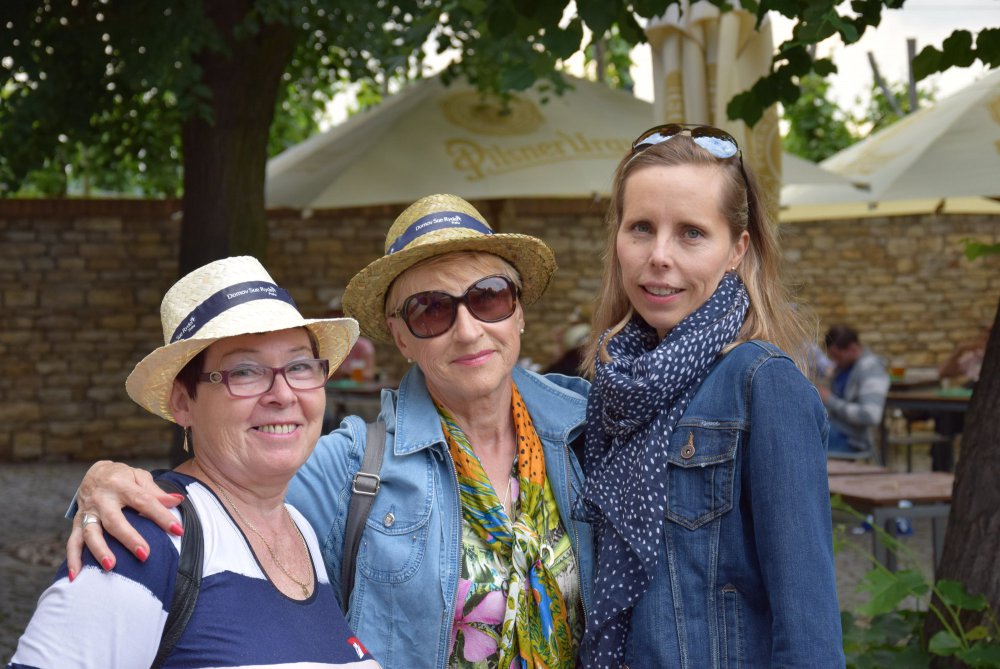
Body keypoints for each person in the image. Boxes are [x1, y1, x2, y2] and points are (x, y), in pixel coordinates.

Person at [64, 194, 594, 669]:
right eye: (431, 310)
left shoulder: (591, 431)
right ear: (401, 338)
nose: (469, 329)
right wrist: (112, 484)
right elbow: (229, 499)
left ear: (519, 311)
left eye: (489, 297)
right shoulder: (351, 466)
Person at [8, 256, 379, 668]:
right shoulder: (145, 540)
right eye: (245, 372)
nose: (283, 394)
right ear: (183, 403)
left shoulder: (301, 532)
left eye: (299, 366)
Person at [576, 124, 844, 667]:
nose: (659, 255)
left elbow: (809, 633)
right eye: (641, 228)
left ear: (736, 250)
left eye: (691, 233)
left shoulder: (762, 384)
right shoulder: (613, 386)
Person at [820, 324, 891, 456]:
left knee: (802, 445)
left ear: (852, 348)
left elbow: (871, 415)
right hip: (833, 430)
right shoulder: (844, 367)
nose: (835, 361)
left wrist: (831, 401)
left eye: (837, 356)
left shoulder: (870, 368)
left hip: (852, 440)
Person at [327, 289, 378, 383]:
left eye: (342, 316)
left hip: (357, 390)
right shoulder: (327, 345)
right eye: (335, 316)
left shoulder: (363, 346)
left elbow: (369, 374)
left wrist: (345, 373)